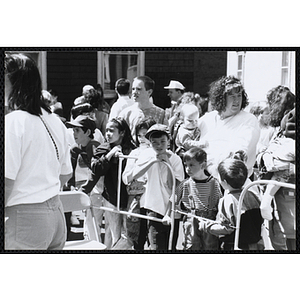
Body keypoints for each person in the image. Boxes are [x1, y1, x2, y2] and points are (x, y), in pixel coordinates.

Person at [5, 53, 72, 250]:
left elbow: (6, 182)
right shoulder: (53, 119)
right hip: (55, 215)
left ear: (13, 82)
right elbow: (66, 173)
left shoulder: (13, 122)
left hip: (24, 220)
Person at [81, 117, 136, 249]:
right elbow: (96, 168)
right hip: (111, 197)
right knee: (114, 233)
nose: (108, 134)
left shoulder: (132, 148)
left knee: (128, 235)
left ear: (122, 132)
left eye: (112, 130)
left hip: (130, 197)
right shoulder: (104, 147)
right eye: (107, 130)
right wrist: (109, 155)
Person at [132, 124, 184, 250]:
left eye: (162, 141)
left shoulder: (176, 159)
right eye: (154, 142)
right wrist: (153, 161)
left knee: (170, 246)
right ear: (150, 143)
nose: (159, 145)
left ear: (168, 141)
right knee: (156, 245)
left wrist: (167, 163)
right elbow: (135, 175)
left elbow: (174, 186)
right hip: (153, 208)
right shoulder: (146, 154)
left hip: (171, 209)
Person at [197, 75, 260, 179]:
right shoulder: (208, 118)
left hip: (234, 180)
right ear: (221, 98)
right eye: (231, 96)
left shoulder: (249, 120)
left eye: (239, 95)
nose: (236, 100)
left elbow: (243, 146)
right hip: (206, 179)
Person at [256, 86, 295, 250]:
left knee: (286, 241)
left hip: (285, 198)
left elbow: (282, 165)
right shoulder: (280, 129)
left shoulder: (289, 124)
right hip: (279, 196)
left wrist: (267, 157)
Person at [199, 158, 262, 250]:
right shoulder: (253, 195)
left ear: (224, 182)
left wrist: (206, 226)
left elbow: (227, 228)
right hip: (254, 244)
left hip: (234, 245)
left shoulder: (227, 200)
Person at [65, 115, 104, 241]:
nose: (74, 133)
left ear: (87, 132)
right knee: (91, 216)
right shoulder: (76, 148)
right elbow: (70, 167)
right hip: (95, 187)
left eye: (77, 130)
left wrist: (84, 189)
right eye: (73, 130)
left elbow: (96, 172)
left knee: (107, 221)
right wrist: (69, 184)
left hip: (105, 186)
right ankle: (91, 241)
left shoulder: (94, 146)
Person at [175, 147, 222, 250]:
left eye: (191, 165)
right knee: (191, 245)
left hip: (208, 220)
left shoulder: (213, 183)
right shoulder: (185, 184)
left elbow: (220, 204)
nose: (187, 168)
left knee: (210, 246)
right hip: (191, 219)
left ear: (203, 165)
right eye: (186, 165)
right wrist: (169, 214)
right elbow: (173, 200)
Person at [122, 117, 156, 249]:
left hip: (153, 202)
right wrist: (137, 169)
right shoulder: (134, 153)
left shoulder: (158, 153)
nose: (142, 139)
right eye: (139, 135)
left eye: (145, 135)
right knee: (136, 240)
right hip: (137, 201)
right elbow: (126, 178)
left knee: (154, 241)